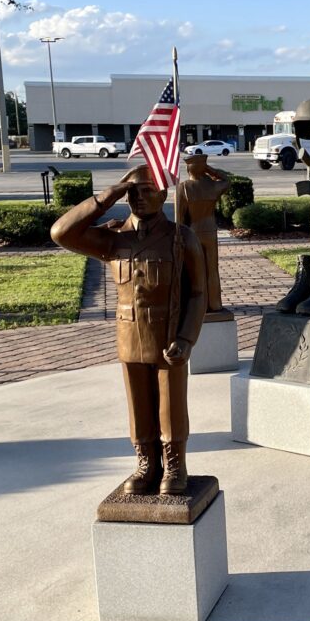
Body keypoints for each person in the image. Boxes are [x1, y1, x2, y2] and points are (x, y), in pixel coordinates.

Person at [51, 165, 207, 495]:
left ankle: (174, 464)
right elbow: (61, 233)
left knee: (171, 405)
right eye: (132, 192)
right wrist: (107, 197)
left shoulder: (181, 238)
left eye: (147, 190)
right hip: (129, 337)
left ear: (163, 194)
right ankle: (146, 463)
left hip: (167, 336)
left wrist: (186, 338)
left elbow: (198, 293)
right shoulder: (113, 239)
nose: (138, 197)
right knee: (138, 406)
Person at [176, 155, 231, 315]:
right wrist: (210, 170)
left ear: (188, 169)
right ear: (203, 168)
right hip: (210, 231)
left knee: (195, 271)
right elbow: (227, 180)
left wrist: (179, 239)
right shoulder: (213, 186)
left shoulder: (183, 188)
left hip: (193, 232)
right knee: (212, 270)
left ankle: (198, 305)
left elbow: (179, 219)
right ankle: (215, 303)